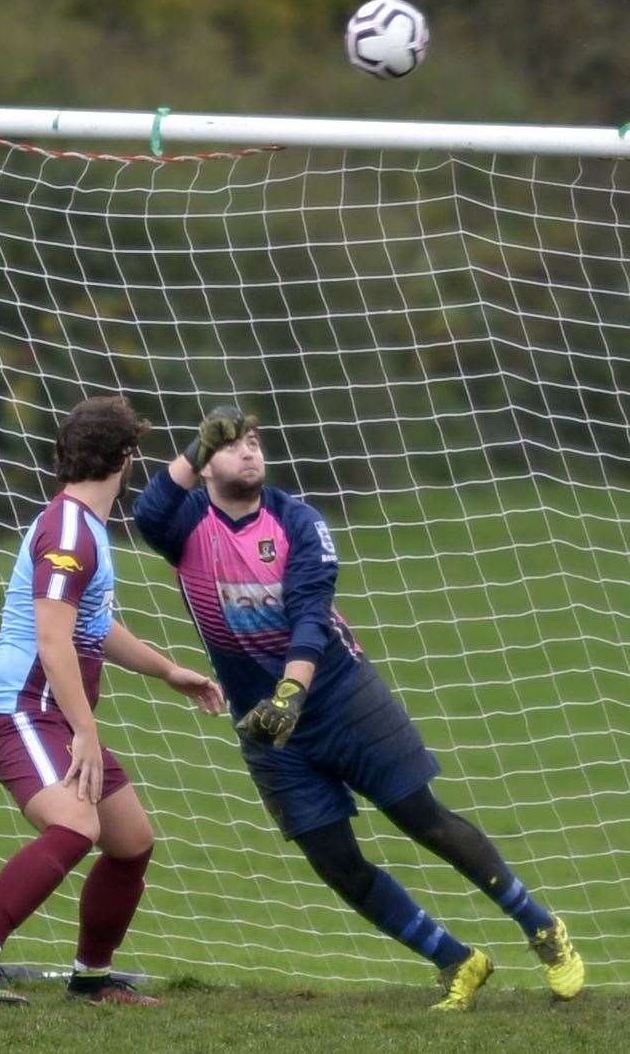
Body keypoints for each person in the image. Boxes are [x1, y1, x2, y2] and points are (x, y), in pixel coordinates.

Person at [131, 404, 585, 1010]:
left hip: (341, 697)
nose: (250, 451)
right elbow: (146, 512)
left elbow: (310, 618)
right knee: (334, 861)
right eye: (233, 444)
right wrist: (192, 448)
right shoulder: (184, 525)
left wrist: (291, 693)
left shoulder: (298, 521)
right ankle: (456, 961)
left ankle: (543, 928)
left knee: (424, 820)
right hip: (266, 729)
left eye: (257, 442)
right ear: (209, 463)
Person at [0, 396, 223, 1007]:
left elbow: (94, 627)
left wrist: (169, 671)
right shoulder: (69, 530)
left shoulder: (86, 526)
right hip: (18, 712)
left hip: (51, 714)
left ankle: (91, 980)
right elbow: (51, 636)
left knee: (131, 841)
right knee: (76, 824)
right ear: (125, 458)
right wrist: (86, 732)